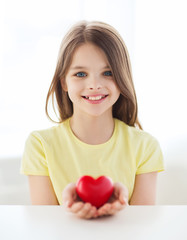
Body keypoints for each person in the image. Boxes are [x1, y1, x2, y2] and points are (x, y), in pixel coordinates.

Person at [20, 20, 164, 219]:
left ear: (122, 79)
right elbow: (44, 225)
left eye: (108, 73)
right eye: (80, 74)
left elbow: (144, 227)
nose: (94, 85)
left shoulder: (145, 146)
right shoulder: (40, 145)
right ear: (64, 82)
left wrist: (123, 207)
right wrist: (69, 208)